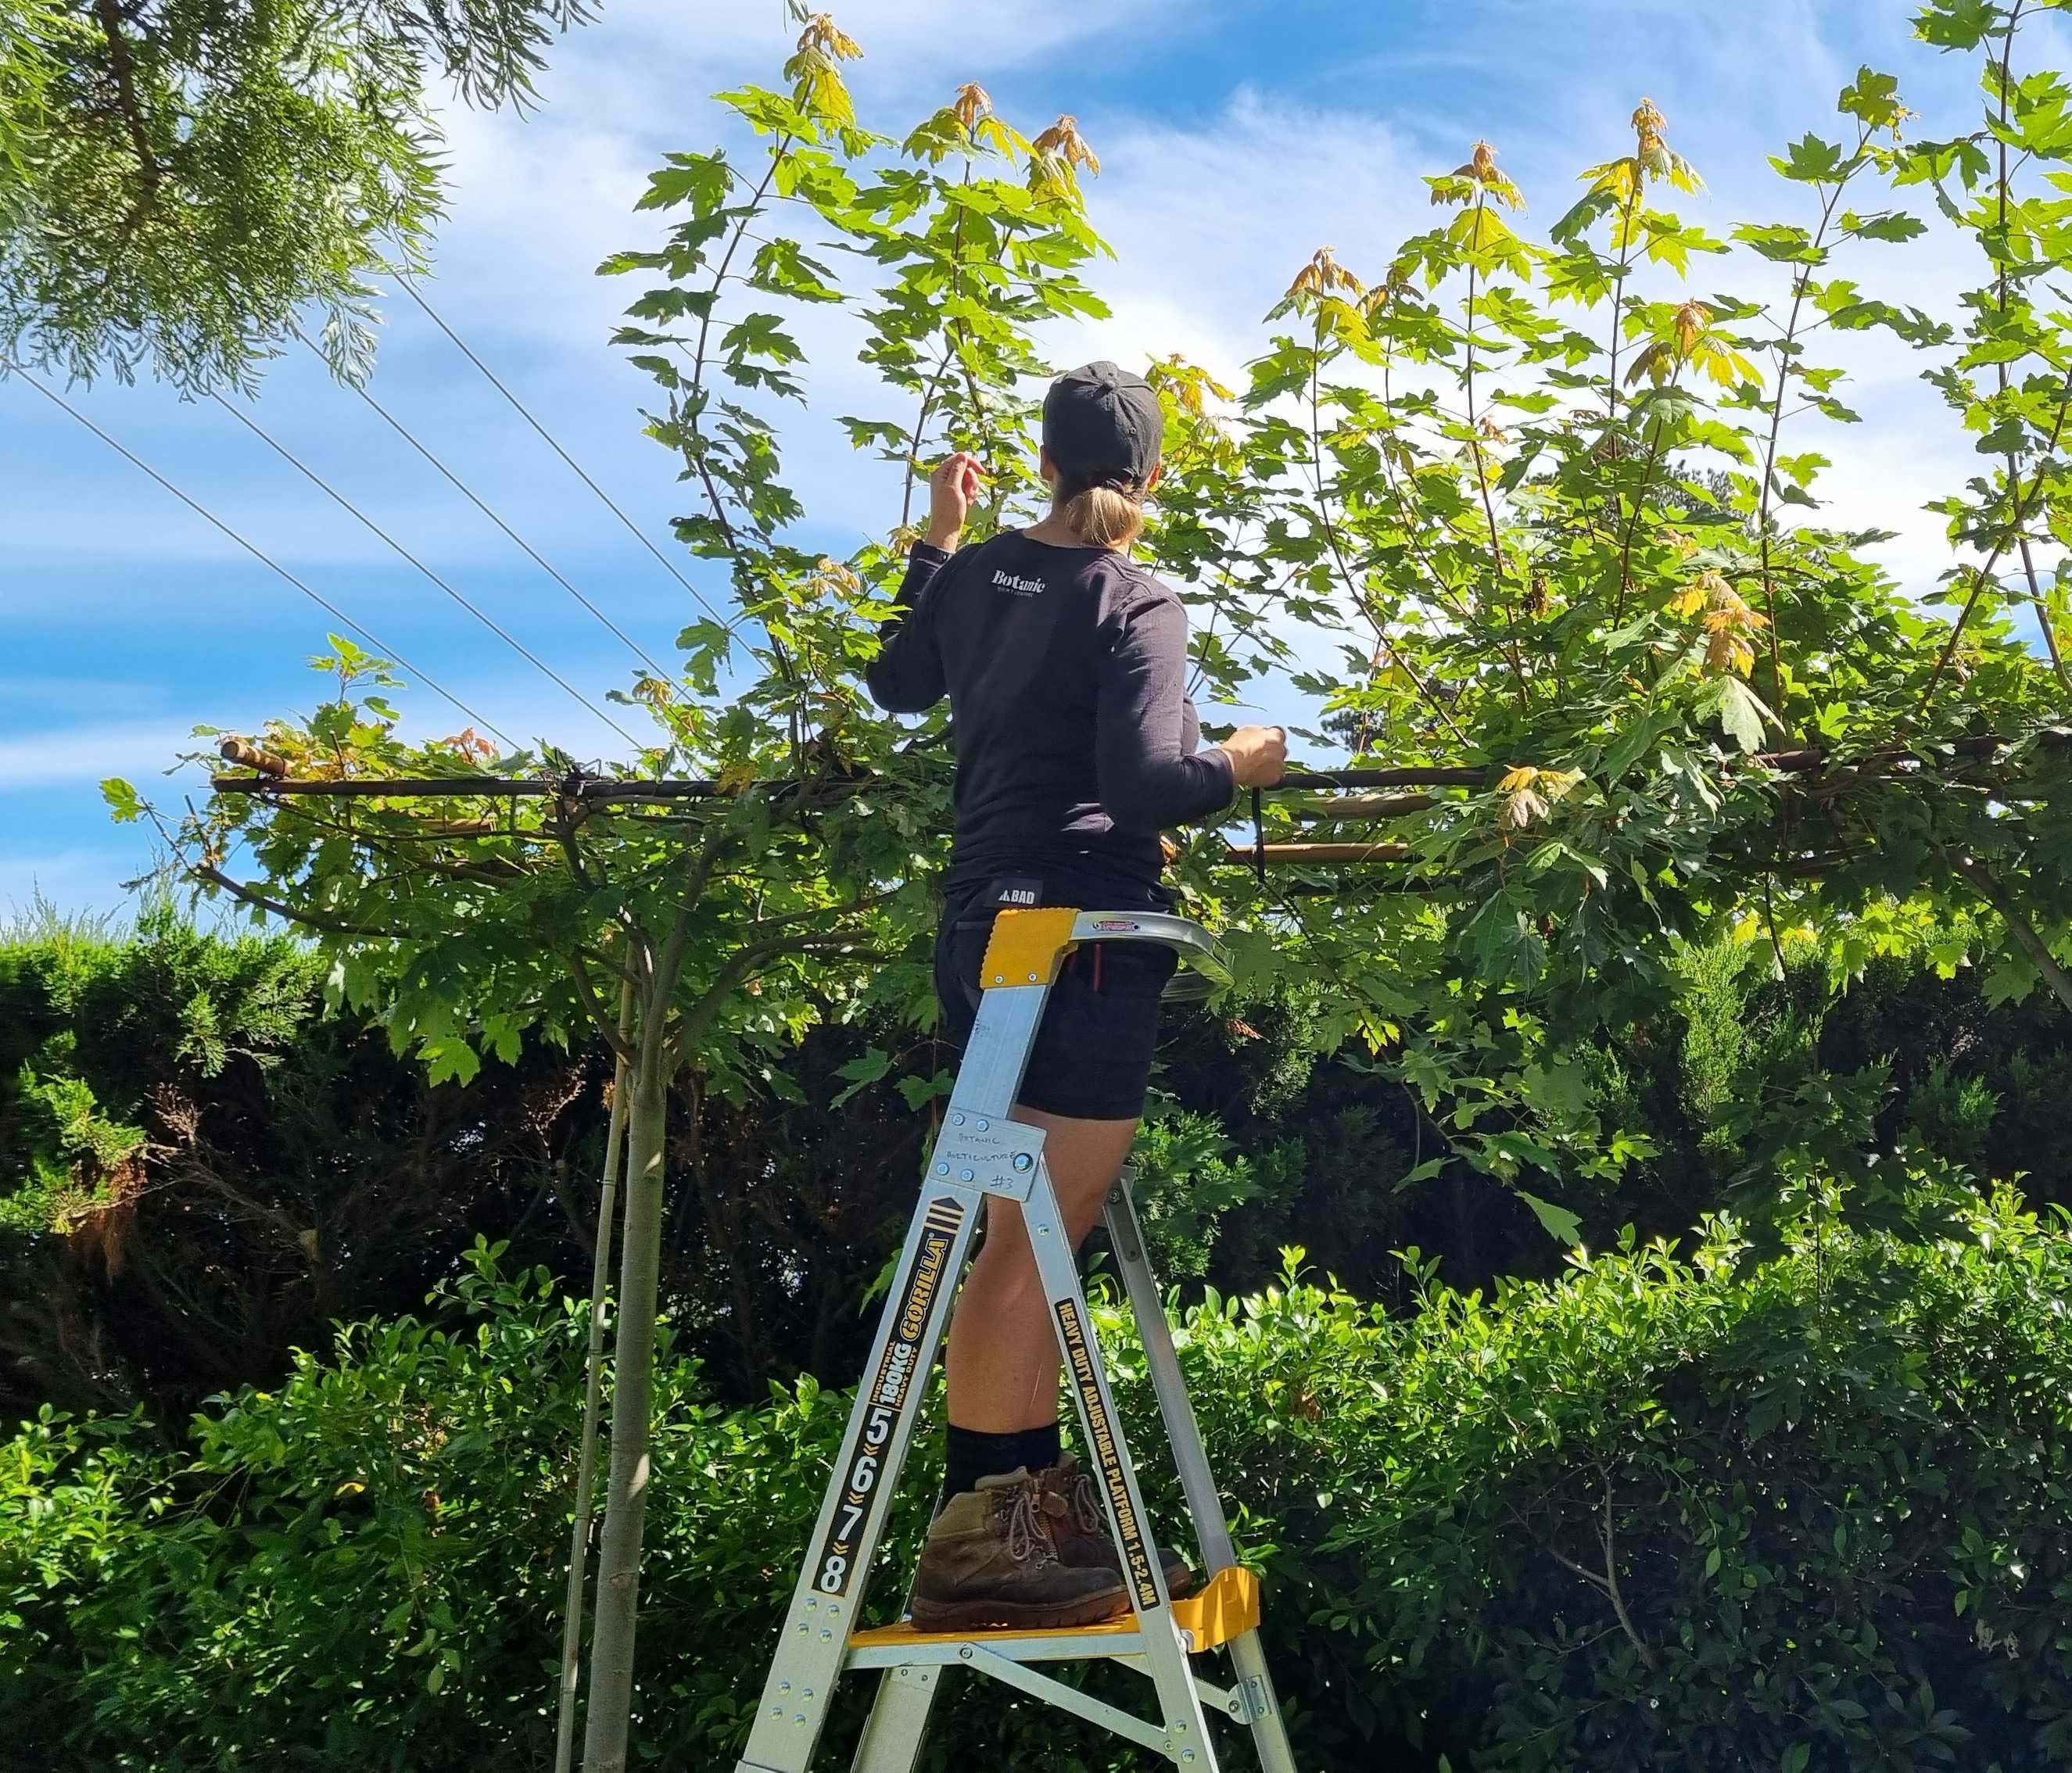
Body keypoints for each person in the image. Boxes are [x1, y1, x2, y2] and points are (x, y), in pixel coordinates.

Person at [866, 360, 1287, 1631]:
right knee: (1036, 1229)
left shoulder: (982, 575)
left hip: (981, 928)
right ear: (1153, 476)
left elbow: (897, 685)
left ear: (1043, 465)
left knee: (1020, 1228)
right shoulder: (1131, 595)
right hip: (1081, 936)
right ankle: (987, 1534)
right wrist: (1242, 763)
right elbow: (1147, 782)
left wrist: (938, 541)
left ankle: (1013, 1514)